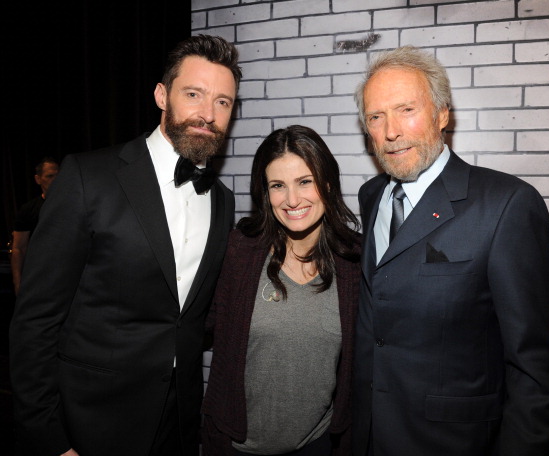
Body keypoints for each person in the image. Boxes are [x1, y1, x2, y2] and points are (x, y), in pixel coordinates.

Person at [9, 34, 241, 456]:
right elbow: (35, 320)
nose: (208, 114)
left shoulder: (223, 201)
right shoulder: (88, 178)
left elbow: (190, 316)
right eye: (194, 94)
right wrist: (50, 438)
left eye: (222, 102)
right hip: (90, 423)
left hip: (178, 424)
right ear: (161, 95)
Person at [351, 46, 549, 456]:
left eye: (406, 109)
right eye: (376, 117)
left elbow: (533, 369)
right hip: (370, 436)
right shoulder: (372, 195)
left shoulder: (507, 205)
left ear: (442, 114)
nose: (391, 131)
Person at [201, 125, 361, 456]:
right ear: (265, 193)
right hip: (238, 447)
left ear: (327, 184)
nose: (292, 200)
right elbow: (196, 326)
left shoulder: (354, 261)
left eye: (305, 181)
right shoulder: (238, 252)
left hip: (318, 444)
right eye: (278, 185)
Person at [10, 157, 59, 295]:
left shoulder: (75, 206)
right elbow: (19, 248)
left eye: (58, 176)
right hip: (40, 277)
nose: (55, 180)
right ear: (38, 179)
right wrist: (17, 283)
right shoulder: (29, 209)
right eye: (50, 176)